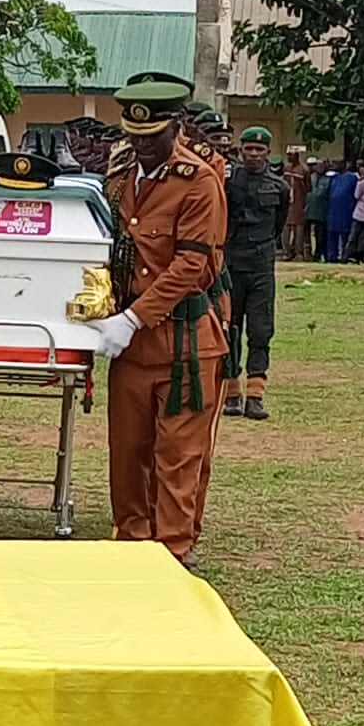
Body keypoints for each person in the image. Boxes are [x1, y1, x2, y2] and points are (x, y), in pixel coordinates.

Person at [89, 78, 230, 563]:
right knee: (128, 453)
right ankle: (132, 540)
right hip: (130, 344)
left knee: (178, 455)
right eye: (135, 136)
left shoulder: (198, 181)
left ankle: (173, 549)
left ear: (177, 128)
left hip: (183, 342)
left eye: (153, 137)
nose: (143, 146)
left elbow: (192, 266)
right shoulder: (122, 178)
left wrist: (133, 317)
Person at [223, 126, 289, 421]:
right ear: (241, 150)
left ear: (268, 153)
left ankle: (256, 396)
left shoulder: (279, 187)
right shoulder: (227, 182)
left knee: (261, 330)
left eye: (259, 150)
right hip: (232, 263)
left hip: (262, 266)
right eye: (248, 149)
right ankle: (231, 393)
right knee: (230, 328)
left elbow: (279, 224)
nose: (253, 154)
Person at [326, 161, 358, 263]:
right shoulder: (334, 178)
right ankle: (331, 257)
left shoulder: (352, 177)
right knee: (332, 234)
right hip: (333, 211)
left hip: (346, 211)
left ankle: (345, 256)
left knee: (345, 235)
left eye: (337, 164)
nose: (335, 166)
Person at [281, 146, 308, 260]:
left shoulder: (304, 169)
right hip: (287, 202)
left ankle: (298, 252)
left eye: (290, 155)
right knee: (285, 228)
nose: (288, 157)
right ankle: (287, 252)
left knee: (299, 229)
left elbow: (308, 188)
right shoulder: (286, 168)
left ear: (296, 156)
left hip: (299, 202)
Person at [305, 159, 329, 261]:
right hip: (308, 209)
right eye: (317, 166)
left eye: (321, 166)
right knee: (306, 234)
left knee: (320, 235)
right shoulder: (311, 177)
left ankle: (318, 254)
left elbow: (322, 193)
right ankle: (307, 253)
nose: (319, 168)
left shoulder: (328, 179)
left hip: (321, 211)